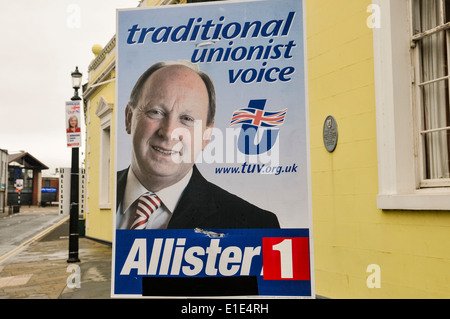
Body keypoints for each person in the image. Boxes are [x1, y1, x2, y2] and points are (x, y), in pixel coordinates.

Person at [116, 60, 280, 230]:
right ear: (129, 118)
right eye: (156, 112)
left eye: (187, 119)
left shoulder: (255, 226)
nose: (169, 132)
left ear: (206, 136)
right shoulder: (100, 197)